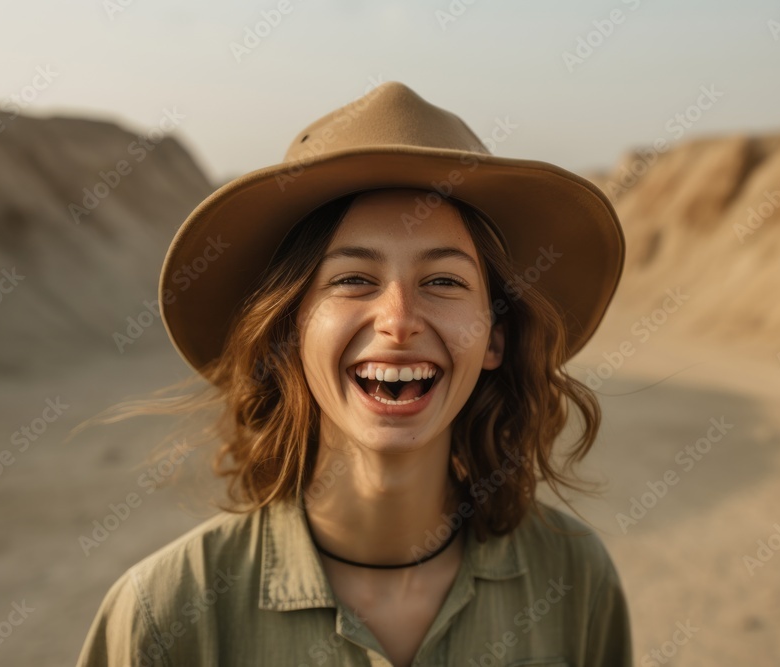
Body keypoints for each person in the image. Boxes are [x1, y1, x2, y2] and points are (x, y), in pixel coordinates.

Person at [75, 81, 631, 666]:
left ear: (494, 336)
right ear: (288, 335)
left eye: (443, 281)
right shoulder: (165, 616)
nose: (398, 321)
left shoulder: (575, 583)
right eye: (353, 280)